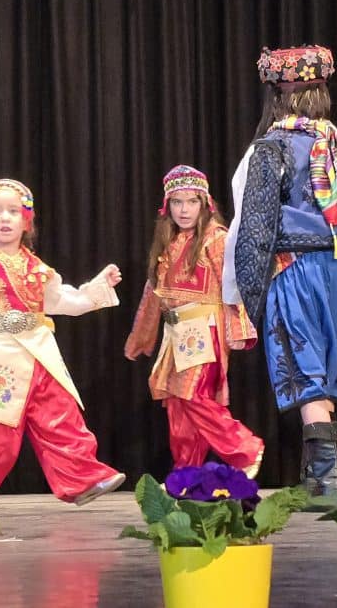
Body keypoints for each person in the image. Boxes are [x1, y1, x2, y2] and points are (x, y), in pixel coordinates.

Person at [224, 45, 337, 505]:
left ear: (275, 98)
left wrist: (235, 294)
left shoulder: (268, 150)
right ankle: (317, 476)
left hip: (296, 268)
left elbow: (249, 225)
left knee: (305, 371)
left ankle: (326, 479)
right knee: (325, 371)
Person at [0, 179, 126, 512]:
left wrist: (96, 288)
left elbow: (62, 301)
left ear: (26, 221)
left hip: (39, 350)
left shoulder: (37, 268)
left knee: (61, 416)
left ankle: (82, 478)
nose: (5, 218)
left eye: (13, 211)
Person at [124, 165, 264, 477]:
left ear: (205, 204)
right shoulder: (169, 242)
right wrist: (141, 338)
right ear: (167, 206)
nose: (184, 210)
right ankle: (186, 474)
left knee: (193, 395)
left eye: (191, 202)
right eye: (177, 202)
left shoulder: (216, 239)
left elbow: (234, 285)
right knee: (178, 402)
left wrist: (238, 328)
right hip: (176, 333)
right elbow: (154, 294)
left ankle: (245, 447)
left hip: (204, 330)